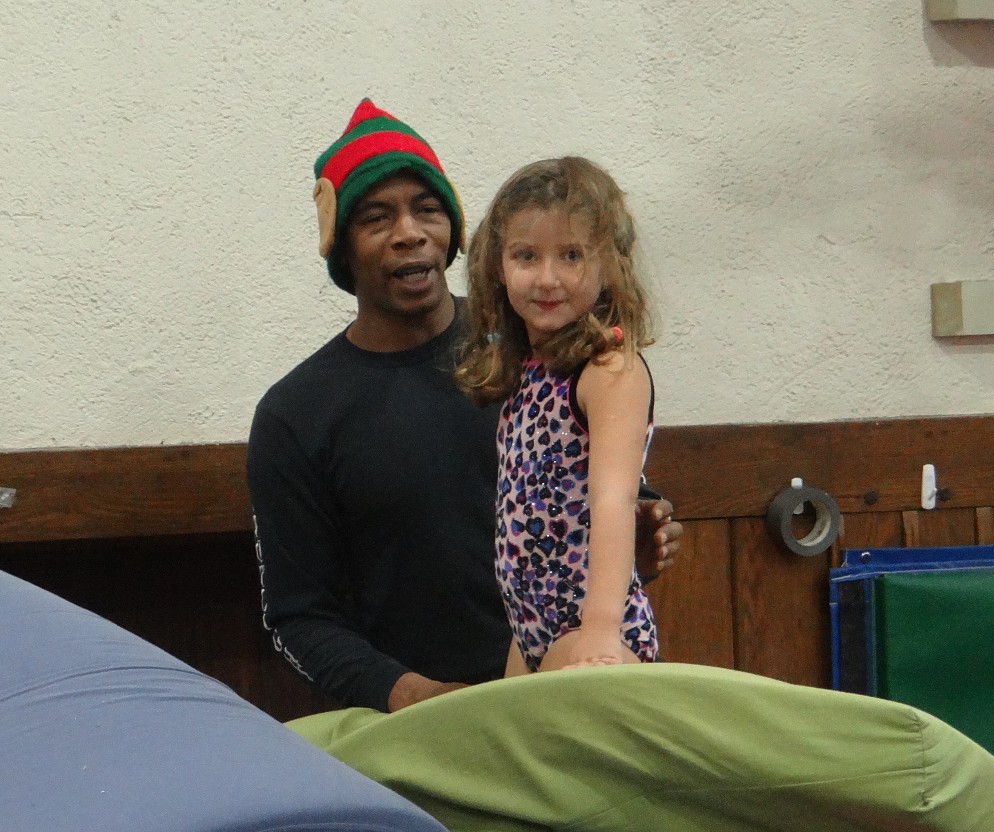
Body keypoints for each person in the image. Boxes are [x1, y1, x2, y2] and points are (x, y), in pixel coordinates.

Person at [248, 100, 681, 713]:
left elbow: (594, 486)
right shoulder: (296, 415)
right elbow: (299, 619)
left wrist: (642, 529)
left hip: (568, 672)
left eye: (428, 209)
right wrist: (416, 697)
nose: (410, 232)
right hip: (415, 723)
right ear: (340, 246)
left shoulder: (534, 348)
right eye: (376, 217)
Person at [455, 157, 658, 674]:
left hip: (589, 630)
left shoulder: (608, 370)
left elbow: (613, 501)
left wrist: (599, 631)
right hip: (529, 629)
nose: (547, 279)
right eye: (526, 256)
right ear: (497, 265)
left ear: (610, 265)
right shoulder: (527, 372)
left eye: (571, 255)